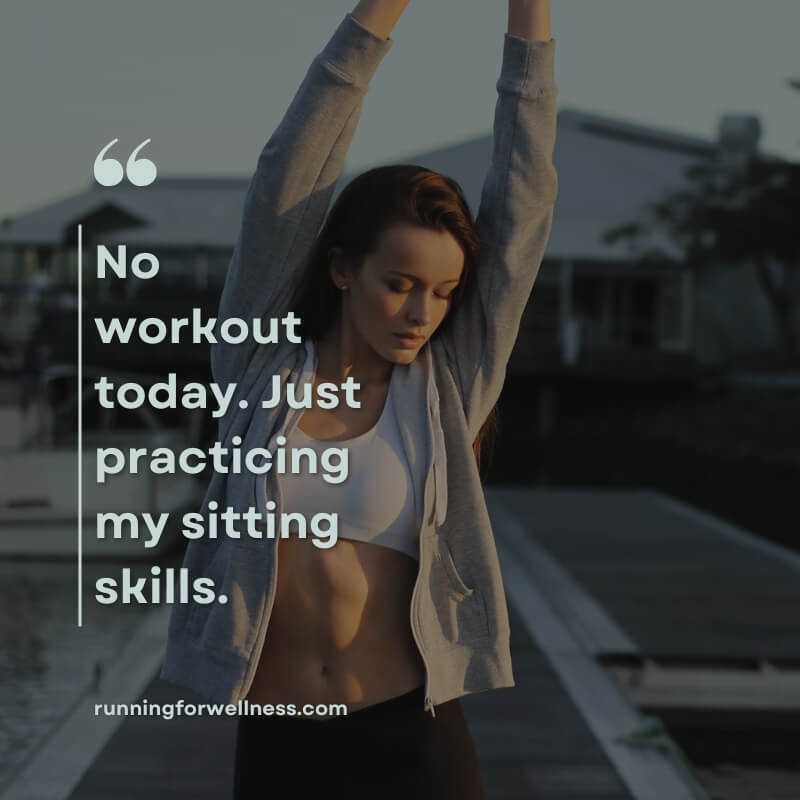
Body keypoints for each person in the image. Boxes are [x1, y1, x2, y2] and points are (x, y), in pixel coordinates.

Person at [159, 1, 557, 797]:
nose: (420, 313)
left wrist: (528, 16)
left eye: (443, 293)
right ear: (342, 269)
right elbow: (287, 173)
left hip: (410, 737)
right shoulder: (259, 367)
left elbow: (521, 206)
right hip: (280, 745)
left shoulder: (446, 391)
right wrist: (382, 11)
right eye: (400, 284)